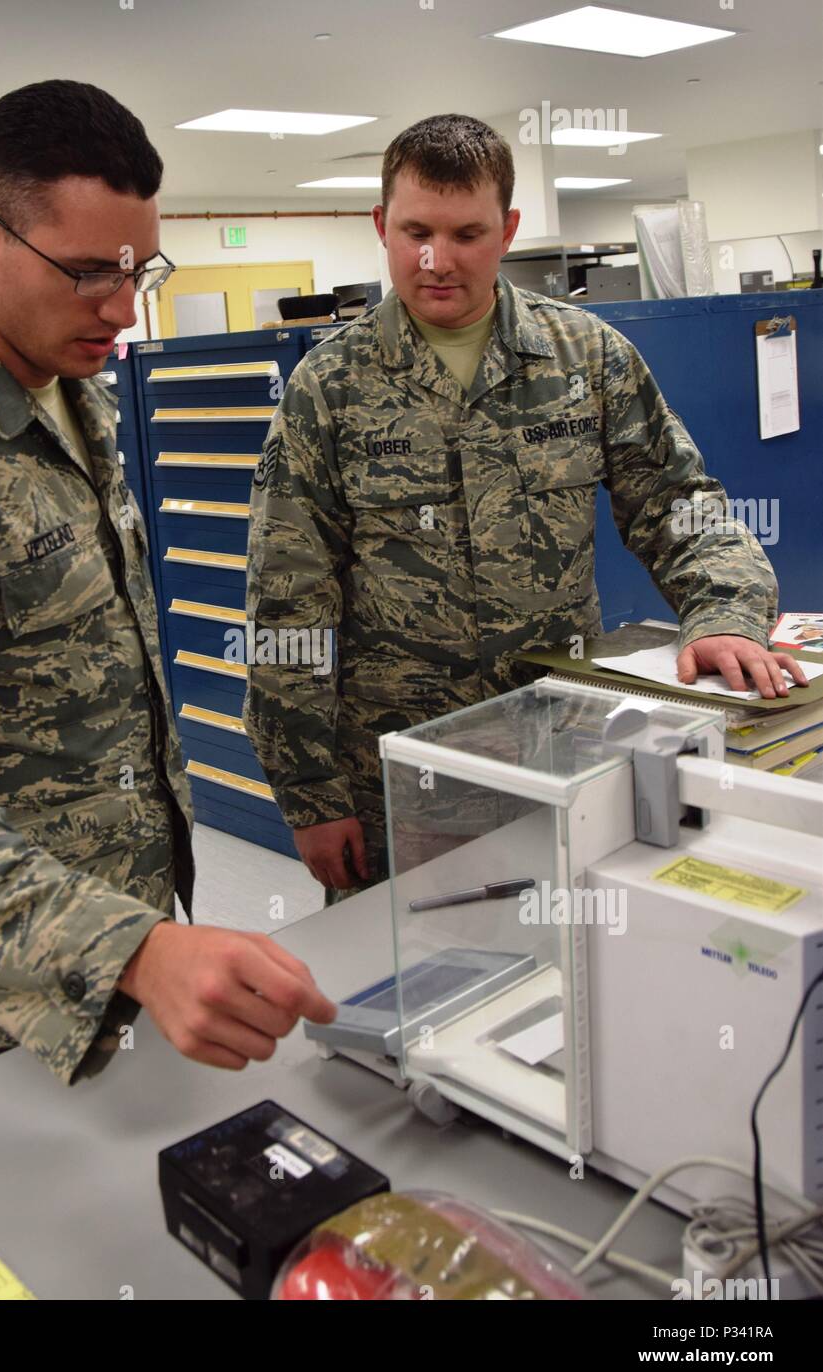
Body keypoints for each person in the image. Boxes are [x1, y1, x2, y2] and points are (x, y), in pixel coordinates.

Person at [0, 79, 334, 1085]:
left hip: (139, 937)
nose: (122, 311)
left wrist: (151, 941)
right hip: (13, 1018)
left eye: (139, 272)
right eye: (88, 272)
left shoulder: (70, 398)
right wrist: (127, 949)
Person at [245, 113, 805, 900]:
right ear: (380, 225)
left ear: (507, 230)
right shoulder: (327, 391)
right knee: (415, 987)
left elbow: (680, 507)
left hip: (567, 757)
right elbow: (287, 600)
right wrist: (307, 790)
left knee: (578, 981)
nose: (436, 260)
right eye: (414, 232)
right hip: (400, 781)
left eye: (466, 234)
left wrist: (721, 613)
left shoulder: (587, 356)